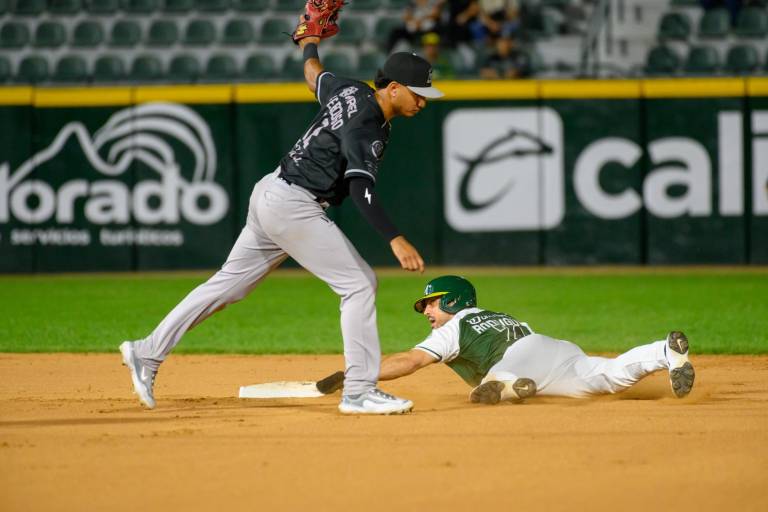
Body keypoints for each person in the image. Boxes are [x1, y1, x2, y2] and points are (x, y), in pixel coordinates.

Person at [119, 20, 445, 414]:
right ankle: (358, 390)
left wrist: (309, 42)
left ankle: (147, 352)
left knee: (226, 287)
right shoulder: (368, 125)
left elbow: (314, 77)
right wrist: (395, 237)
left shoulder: (350, 89)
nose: (423, 102)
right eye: (417, 93)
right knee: (359, 284)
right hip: (295, 205)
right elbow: (360, 188)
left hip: (272, 193)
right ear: (393, 88)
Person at [317, 276, 696, 405]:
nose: (427, 312)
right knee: (609, 377)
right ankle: (662, 352)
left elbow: (412, 361)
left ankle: (510, 385)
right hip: (554, 350)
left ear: (451, 301)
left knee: (486, 388)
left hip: (516, 359)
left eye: (431, 303)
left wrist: (362, 374)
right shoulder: (495, 315)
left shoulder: (455, 326)